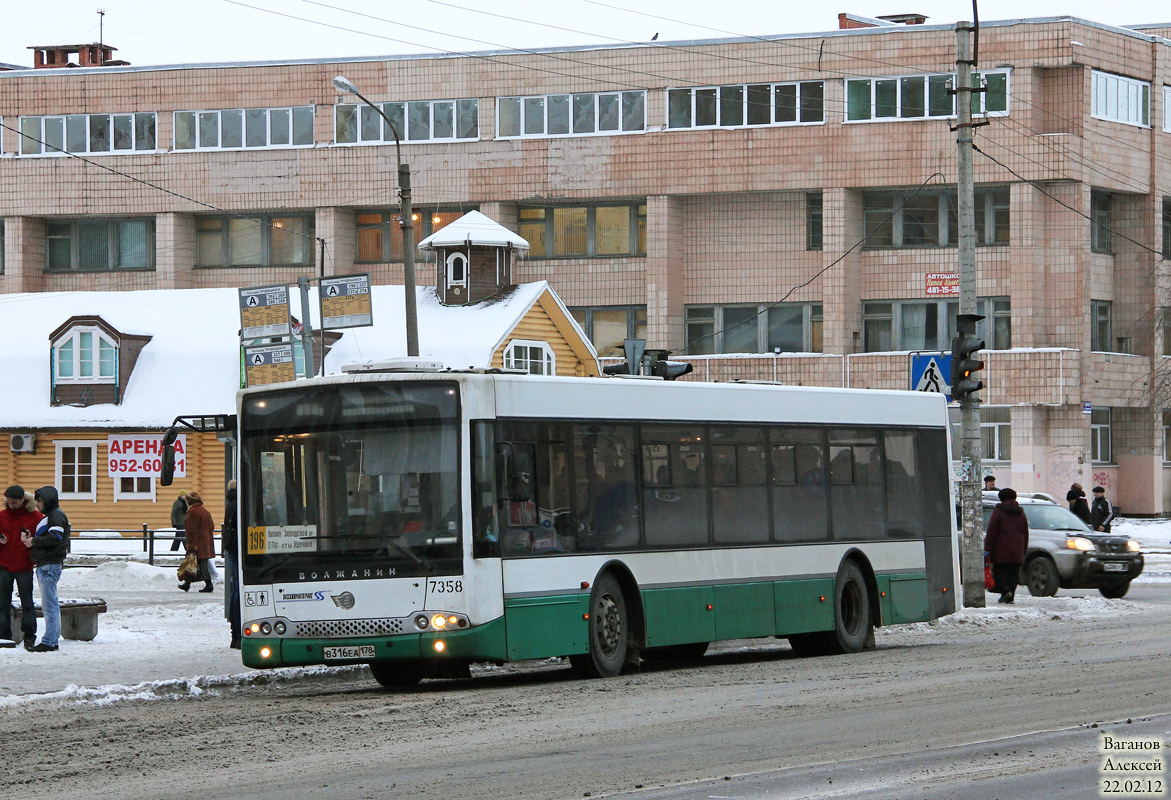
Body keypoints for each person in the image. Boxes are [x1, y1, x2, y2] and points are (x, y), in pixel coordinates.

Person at [21, 486, 69, 652]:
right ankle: (52, 639)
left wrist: (33, 542)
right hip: (47, 564)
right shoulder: (52, 515)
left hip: (49, 564)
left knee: (49, 604)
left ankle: (49, 641)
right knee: (51, 603)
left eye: (39, 501)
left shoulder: (56, 515)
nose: (37, 505)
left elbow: (55, 537)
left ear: (47, 500)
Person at [0, 486, 42, 650]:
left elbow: (41, 540)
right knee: (2, 603)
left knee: (27, 603)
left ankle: (29, 636)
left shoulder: (35, 517)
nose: (11, 506)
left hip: (24, 566)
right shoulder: (1, 516)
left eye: (14, 503)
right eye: (8, 503)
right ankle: (3, 636)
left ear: (23, 500)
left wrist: (32, 543)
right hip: (4, 565)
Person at [984, 487, 1029, 604]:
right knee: (1013, 573)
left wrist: (988, 548)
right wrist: (1023, 550)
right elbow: (1025, 533)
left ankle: (1005, 590)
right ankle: (1011, 596)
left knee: (999, 570)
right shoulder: (1021, 513)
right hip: (1017, 550)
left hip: (1001, 549)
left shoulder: (998, 511)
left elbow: (992, 531)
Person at [180, 491, 215, 593]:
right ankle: (187, 584)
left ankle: (209, 584)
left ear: (189, 502)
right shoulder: (204, 511)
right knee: (194, 563)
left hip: (198, 543)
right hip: (206, 542)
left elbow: (192, 530)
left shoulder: (193, 512)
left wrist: (192, 545)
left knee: (197, 563)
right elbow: (212, 526)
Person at [222, 480, 241, 648]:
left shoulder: (230, 503)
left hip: (231, 548)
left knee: (235, 589)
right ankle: (237, 633)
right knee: (238, 591)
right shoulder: (239, 504)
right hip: (238, 549)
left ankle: (234, 634)